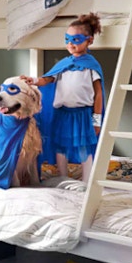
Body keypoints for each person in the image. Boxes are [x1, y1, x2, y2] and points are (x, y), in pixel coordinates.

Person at [21, 12, 105, 183]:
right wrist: (33, 80)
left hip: (82, 115)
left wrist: (96, 120)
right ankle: (62, 177)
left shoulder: (91, 67)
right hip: (63, 114)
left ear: (89, 40)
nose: (70, 44)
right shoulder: (63, 64)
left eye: (76, 40)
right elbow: (47, 79)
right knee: (61, 147)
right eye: (67, 39)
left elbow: (98, 95)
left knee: (83, 147)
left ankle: (87, 181)